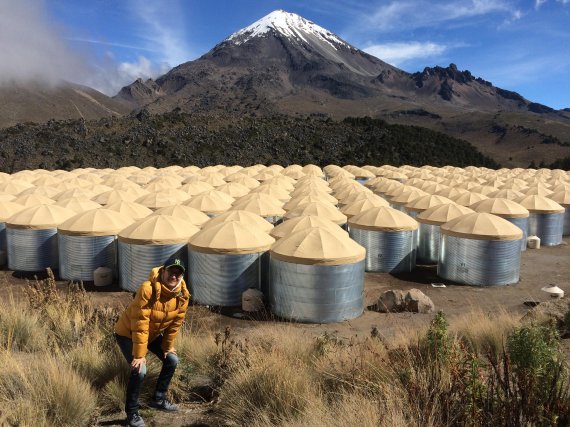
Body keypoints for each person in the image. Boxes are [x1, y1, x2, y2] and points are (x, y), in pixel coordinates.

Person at [114, 256, 190, 427]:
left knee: (172, 359)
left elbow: (175, 324)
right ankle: (132, 413)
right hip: (128, 333)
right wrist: (139, 355)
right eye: (171, 271)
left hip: (151, 335)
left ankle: (158, 399)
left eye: (178, 273)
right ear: (163, 271)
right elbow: (140, 322)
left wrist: (167, 346)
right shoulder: (147, 289)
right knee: (139, 370)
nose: (174, 276)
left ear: (182, 277)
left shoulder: (183, 296)